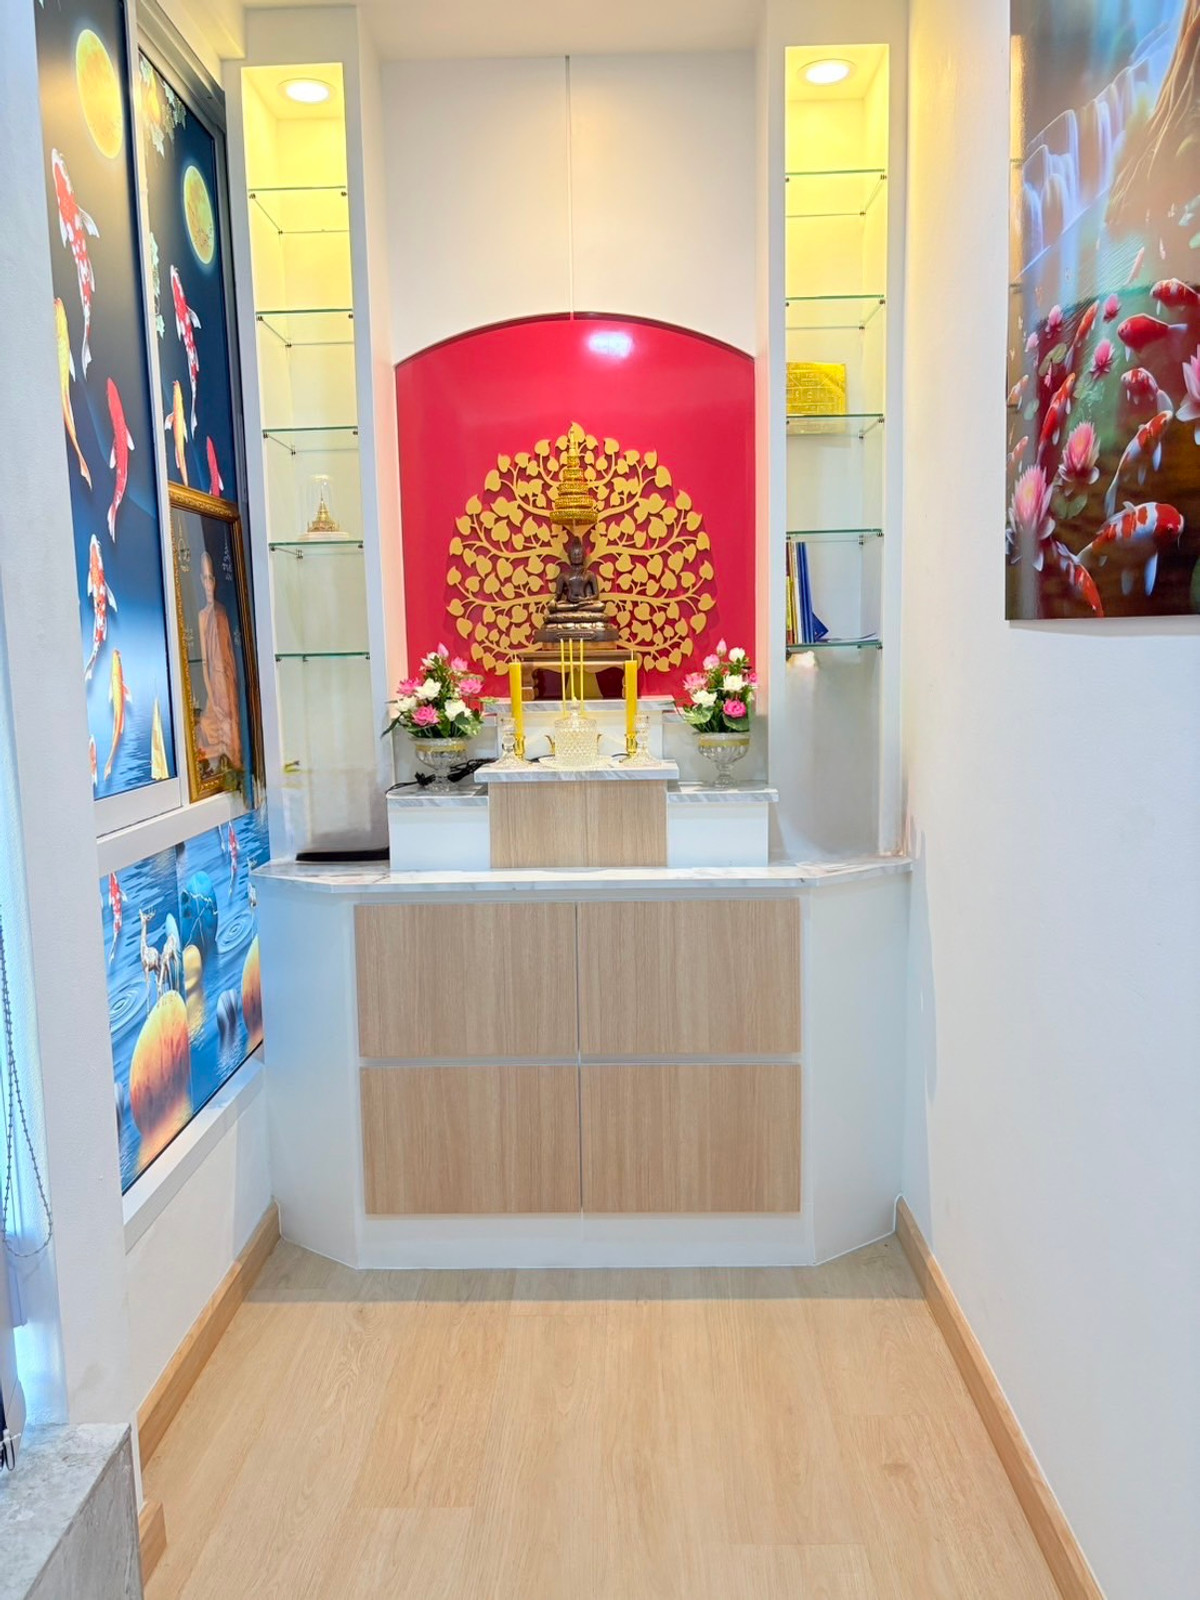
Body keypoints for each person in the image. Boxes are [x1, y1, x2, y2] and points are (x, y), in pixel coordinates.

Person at [194, 547, 243, 771]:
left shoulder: (223, 612)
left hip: (228, 680)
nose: (208, 584)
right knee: (207, 726)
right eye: (204, 579)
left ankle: (232, 766)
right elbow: (204, 662)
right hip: (214, 682)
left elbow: (231, 652)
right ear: (200, 580)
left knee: (231, 728)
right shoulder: (202, 617)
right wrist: (212, 698)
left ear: (215, 581)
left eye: (210, 578)